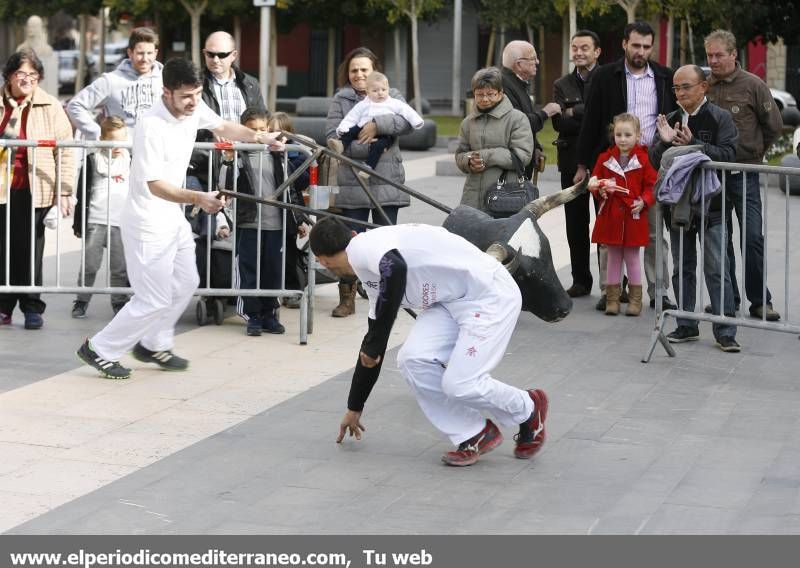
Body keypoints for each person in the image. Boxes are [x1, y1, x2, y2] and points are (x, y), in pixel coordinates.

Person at [76, 58, 283, 380]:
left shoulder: (194, 106)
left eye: (197, 94)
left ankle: (153, 343)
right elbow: (154, 185)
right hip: (147, 220)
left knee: (187, 282)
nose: (192, 102)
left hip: (172, 217)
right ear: (167, 92)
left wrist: (261, 138)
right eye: (186, 95)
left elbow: (223, 126)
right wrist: (198, 198)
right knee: (153, 298)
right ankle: (100, 348)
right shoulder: (150, 125)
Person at [309, 216, 549, 467]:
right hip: (448, 300)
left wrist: (376, 341)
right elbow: (373, 343)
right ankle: (474, 433)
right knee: (412, 359)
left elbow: (396, 267)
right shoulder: (367, 266)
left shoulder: (360, 248)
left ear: (321, 259)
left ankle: (529, 407)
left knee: (461, 383)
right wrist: (354, 407)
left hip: (487, 294)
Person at [577, 21, 678, 312]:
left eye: (647, 47)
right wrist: (584, 164)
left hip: (649, 164)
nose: (641, 52)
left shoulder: (663, 76)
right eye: (636, 45)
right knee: (609, 233)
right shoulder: (605, 76)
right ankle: (611, 291)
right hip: (612, 164)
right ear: (624, 44)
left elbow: (672, 118)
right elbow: (592, 121)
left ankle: (659, 291)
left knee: (652, 233)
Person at [649, 65, 741, 352]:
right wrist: (664, 143)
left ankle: (725, 331)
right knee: (683, 267)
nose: (680, 93)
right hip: (678, 210)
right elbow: (655, 161)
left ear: (704, 87)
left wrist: (695, 145)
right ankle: (686, 324)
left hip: (712, 208)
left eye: (686, 86)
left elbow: (730, 154)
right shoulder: (672, 119)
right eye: (676, 88)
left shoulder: (720, 118)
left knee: (717, 268)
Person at [324, 47, 414, 318]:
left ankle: (389, 295)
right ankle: (347, 296)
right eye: (354, 70)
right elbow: (333, 137)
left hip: (386, 181)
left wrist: (378, 125)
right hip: (353, 182)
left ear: (374, 69)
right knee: (351, 243)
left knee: (387, 241)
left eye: (364, 69)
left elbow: (406, 123)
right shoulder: (341, 99)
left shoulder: (392, 93)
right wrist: (370, 144)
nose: (359, 74)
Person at [705, 29, 783, 322]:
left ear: (733, 54)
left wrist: (755, 154)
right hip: (713, 176)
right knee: (719, 239)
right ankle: (728, 298)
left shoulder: (754, 85)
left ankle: (760, 301)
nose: (713, 61)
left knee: (752, 238)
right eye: (709, 55)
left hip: (745, 174)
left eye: (719, 55)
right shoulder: (705, 87)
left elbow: (773, 125)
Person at [0, 48, 75, 330]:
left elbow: (66, 152)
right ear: (9, 75)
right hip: (2, 189)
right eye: (21, 74)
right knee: (2, 250)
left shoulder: (50, 106)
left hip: (36, 188)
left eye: (33, 74)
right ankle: (3, 305)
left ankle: (32, 306)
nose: (27, 79)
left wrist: (64, 191)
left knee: (30, 250)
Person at [220, 107, 307, 336]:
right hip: (249, 223)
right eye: (252, 130)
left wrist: (297, 218)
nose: (258, 134)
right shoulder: (239, 154)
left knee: (273, 271)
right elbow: (224, 186)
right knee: (249, 271)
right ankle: (253, 316)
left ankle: (270, 313)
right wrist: (228, 161)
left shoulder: (278, 153)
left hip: (275, 224)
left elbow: (292, 190)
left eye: (262, 129)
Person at [588, 114, 655, 316]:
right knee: (613, 258)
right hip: (611, 217)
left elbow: (652, 185)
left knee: (633, 257)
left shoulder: (644, 159)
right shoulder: (604, 159)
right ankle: (612, 299)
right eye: (619, 134)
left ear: (638, 136)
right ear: (613, 135)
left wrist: (644, 200)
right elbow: (595, 181)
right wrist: (598, 190)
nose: (623, 139)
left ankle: (635, 300)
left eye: (628, 134)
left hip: (634, 215)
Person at [552, 29, 602, 298]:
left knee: (607, 223)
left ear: (597, 52)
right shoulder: (561, 84)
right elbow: (560, 122)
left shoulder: (608, 78)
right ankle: (581, 280)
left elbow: (609, 120)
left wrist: (577, 111)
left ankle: (613, 283)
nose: (579, 53)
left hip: (603, 161)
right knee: (575, 223)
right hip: (571, 161)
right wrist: (588, 112)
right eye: (575, 48)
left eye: (585, 48)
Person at [187, 31, 266, 195]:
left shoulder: (250, 84)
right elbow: (186, 123)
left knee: (241, 217)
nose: (215, 60)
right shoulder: (194, 84)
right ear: (204, 53)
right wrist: (212, 134)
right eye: (210, 54)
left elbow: (262, 120)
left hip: (245, 165)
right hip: (205, 166)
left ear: (233, 55)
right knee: (205, 217)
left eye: (222, 55)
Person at [71, 116, 131, 318]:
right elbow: (81, 191)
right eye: (112, 141)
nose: (117, 146)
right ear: (102, 139)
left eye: (121, 141)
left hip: (120, 222)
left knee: (119, 268)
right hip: (95, 220)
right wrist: (78, 222)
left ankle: (119, 302)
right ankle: (81, 301)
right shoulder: (92, 159)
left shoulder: (130, 160)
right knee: (89, 265)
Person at [454, 67, 533, 212]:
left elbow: (522, 156)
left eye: (490, 94)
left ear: (501, 93)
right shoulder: (468, 122)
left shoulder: (517, 119)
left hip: (506, 196)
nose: (484, 99)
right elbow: (460, 154)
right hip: (472, 197)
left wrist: (484, 157)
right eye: (480, 94)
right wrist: (469, 161)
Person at [67, 27, 162, 138]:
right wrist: (99, 134)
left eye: (149, 53)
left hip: (156, 152)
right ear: (130, 53)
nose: (145, 59)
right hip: (122, 153)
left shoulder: (165, 80)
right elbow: (75, 105)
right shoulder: (111, 81)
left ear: (155, 53)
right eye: (140, 53)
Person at [332, 71, 424, 180]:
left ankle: (368, 167)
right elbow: (352, 117)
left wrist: (417, 121)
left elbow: (407, 111)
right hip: (363, 128)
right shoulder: (363, 104)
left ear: (388, 88)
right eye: (375, 91)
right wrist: (343, 129)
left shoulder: (393, 103)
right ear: (367, 92)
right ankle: (340, 144)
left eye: (383, 90)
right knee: (351, 131)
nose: (380, 93)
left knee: (379, 146)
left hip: (385, 133)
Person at [267, 111, 311, 310]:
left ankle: (293, 289)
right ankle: (271, 290)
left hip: (290, 210)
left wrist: (287, 160)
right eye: (271, 132)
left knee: (290, 252)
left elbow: (300, 185)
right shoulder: (263, 152)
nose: (276, 137)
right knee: (271, 252)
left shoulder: (297, 154)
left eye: (280, 132)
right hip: (269, 212)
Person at [500, 40, 561, 178]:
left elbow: (524, 116)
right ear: (519, 64)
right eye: (533, 58)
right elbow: (518, 124)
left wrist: (536, 148)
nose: (537, 62)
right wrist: (545, 113)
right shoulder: (503, 85)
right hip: (511, 167)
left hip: (521, 161)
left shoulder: (517, 83)